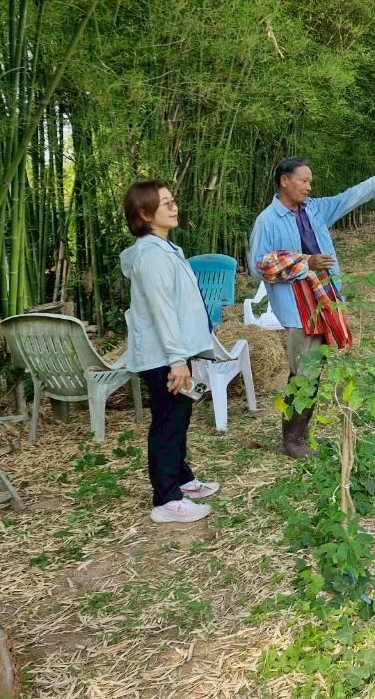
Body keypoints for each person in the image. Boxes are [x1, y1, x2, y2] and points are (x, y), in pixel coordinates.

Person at [248, 158, 375, 458]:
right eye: (304, 181)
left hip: (325, 298)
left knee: (315, 367)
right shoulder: (268, 220)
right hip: (297, 305)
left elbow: (347, 197)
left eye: (311, 182)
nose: (309, 187)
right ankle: (292, 439)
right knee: (304, 372)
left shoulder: (314, 209)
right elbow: (259, 265)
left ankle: (301, 433)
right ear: (284, 181)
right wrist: (304, 262)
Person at [120, 181, 220, 525]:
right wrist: (177, 361)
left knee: (180, 417)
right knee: (167, 423)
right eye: (165, 203)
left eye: (173, 200)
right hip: (164, 357)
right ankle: (166, 499)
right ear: (145, 215)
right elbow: (162, 311)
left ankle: (182, 478)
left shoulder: (164, 248)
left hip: (175, 352)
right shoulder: (150, 257)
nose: (174, 207)